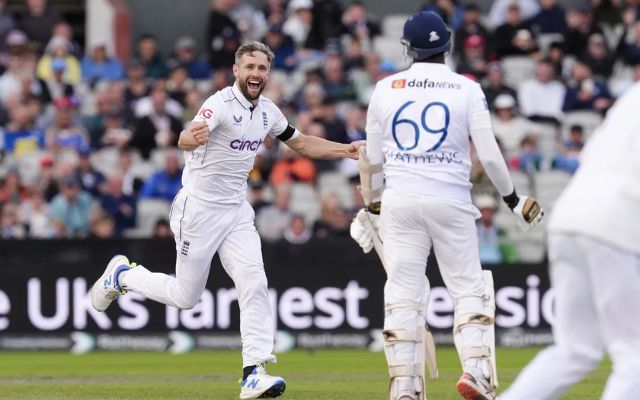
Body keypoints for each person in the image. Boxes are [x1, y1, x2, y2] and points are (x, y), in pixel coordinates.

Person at [90, 41, 363, 400]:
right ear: (236, 70)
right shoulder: (218, 104)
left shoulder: (267, 111)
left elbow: (301, 143)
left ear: (268, 73)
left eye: (262, 68)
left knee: (254, 280)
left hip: (236, 211)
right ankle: (123, 276)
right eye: (249, 66)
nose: (255, 74)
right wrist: (191, 138)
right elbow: (187, 135)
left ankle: (254, 371)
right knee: (186, 297)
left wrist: (346, 149)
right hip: (198, 210)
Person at [348, 12, 543, 400]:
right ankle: (475, 371)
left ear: (408, 49)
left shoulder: (385, 89)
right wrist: (513, 199)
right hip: (451, 200)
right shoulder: (466, 88)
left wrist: (371, 207)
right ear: (447, 45)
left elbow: (371, 159)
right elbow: (488, 155)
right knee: (469, 289)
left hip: (400, 201)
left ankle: (404, 385)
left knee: (402, 293)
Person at [499, 83, 640, 400]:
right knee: (635, 356)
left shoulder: (631, 97)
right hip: (614, 223)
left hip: (569, 215)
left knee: (576, 350)